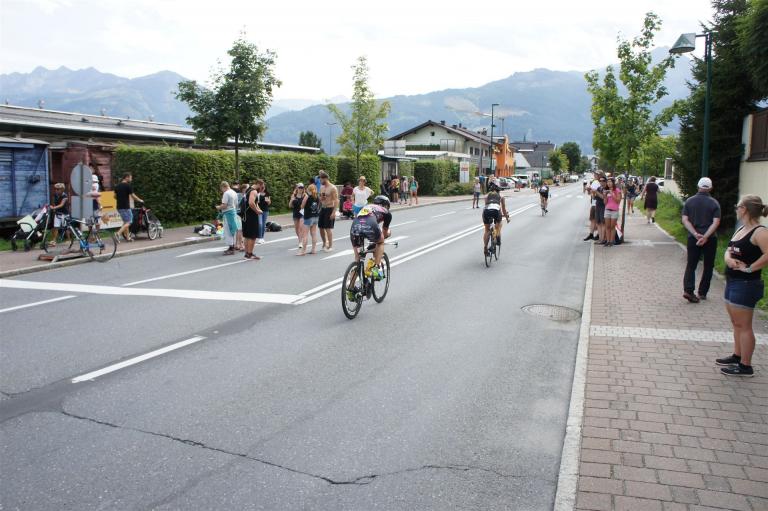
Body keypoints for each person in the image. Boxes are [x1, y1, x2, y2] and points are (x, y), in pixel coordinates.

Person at [719, 195, 768, 377]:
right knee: (736, 322)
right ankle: (737, 355)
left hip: (746, 284)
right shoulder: (741, 228)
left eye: (738, 206)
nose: (736, 209)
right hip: (733, 280)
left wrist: (750, 268)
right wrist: (728, 260)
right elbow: (729, 250)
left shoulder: (760, 232)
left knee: (744, 325)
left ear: (744, 209)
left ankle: (746, 366)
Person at [681, 177, 721, 302]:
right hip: (710, 239)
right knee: (708, 265)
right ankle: (702, 292)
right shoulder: (714, 203)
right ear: (710, 188)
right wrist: (705, 236)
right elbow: (716, 222)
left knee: (691, 264)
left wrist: (695, 234)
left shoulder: (689, 201)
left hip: (693, 238)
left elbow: (685, 220)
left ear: (698, 186)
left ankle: (688, 290)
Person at [346, 195, 393, 298]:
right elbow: (384, 233)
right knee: (380, 242)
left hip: (355, 226)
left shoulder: (367, 207)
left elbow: (363, 222)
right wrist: (389, 233)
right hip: (370, 225)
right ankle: (375, 268)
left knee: (358, 260)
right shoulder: (386, 212)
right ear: (386, 205)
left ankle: (350, 290)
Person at [482, 181, 509, 256]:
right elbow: (503, 209)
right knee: (498, 225)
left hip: (486, 211)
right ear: (498, 191)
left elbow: (487, 205)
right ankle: (494, 241)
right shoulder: (501, 197)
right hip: (496, 211)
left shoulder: (486, 196)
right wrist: (507, 218)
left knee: (487, 230)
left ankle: (485, 247)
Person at [115, 173, 143, 242]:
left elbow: (114, 196)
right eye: (130, 177)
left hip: (119, 207)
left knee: (125, 222)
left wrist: (120, 198)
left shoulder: (117, 186)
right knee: (129, 222)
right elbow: (133, 196)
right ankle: (118, 233)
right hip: (125, 207)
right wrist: (140, 200)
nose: (131, 179)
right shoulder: (128, 186)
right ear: (126, 177)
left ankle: (128, 238)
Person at [215, 181, 239, 255]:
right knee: (233, 229)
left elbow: (224, 205)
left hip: (228, 213)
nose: (222, 190)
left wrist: (218, 207)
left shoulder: (226, 193)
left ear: (223, 187)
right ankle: (232, 246)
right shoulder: (234, 192)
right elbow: (236, 204)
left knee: (228, 231)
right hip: (233, 212)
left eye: (221, 189)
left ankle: (231, 248)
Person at [318, 170, 338, 252]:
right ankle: (324, 243)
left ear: (325, 178)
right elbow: (320, 198)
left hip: (330, 208)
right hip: (323, 208)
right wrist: (321, 198)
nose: (320, 181)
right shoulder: (322, 187)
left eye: (321, 179)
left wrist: (334, 212)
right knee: (321, 227)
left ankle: (330, 246)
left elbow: (336, 200)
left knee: (328, 228)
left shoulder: (333, 188)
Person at [241, 181, 262, 260]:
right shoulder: (253, 191)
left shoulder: (248, 190)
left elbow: (254, 203)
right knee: (253, 236)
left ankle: (247, 253)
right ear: (259, 184)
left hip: (245, 216)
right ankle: (250, 254)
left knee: (247, 236)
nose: (261, 188)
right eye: (261, 186)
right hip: (252, 216)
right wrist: (257, 211)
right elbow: (251, 203)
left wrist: (259, 209)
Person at [298, 183, 320, 255]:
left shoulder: (307, 197)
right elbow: (318, 206)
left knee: (305, 234)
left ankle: (303, 251)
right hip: (315, 216)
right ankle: (313, 249)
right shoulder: (317, 197)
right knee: (314, 233)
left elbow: (302, 206)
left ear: (308, 190)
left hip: (308, 217)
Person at [603, 177, 622, 247]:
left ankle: (611, 241)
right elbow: (605, 203)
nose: (608, 183)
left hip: (614, 211)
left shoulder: (617, 190)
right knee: (607, 226)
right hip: (607, 210)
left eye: (610, 182)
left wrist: (612, 193)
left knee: (612, 227)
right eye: (608, 182)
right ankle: (608, 241)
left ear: (613, 183)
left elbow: (618, 201)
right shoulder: (606, 190)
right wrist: (605, 196)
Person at [289, 183, 306, 249]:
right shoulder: (294, 195)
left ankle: (300, 242)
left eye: (302, 188)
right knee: (296, 229)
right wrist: (292, 200)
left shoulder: (305, 195)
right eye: (299, 188)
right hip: (295, 212)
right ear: (297, 188)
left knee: (301, 227)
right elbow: (290, 206)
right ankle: (300, 239)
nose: (301, 189)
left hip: (302, 213)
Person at [592, 175, 607, 244]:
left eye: (603, 181)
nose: (601, 182)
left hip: (603, 206)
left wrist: (596, 192)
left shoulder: (606, 189)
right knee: (598, 222)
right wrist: (592, 192)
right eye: (600, 181)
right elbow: (594, 197)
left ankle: (603, 239)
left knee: (603, 223)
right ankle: (600, 239)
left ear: (605, 181)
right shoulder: (599, 188)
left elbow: (603, 197)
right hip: (598, 205)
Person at [255, 179, 271, 245]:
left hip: (265, 210)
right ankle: (260, 237)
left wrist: (268, 201)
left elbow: (269, 203)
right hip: (259, 210)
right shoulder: (257, 193)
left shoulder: (266, 194)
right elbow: (256, 202)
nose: (263, 188)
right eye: (262, 187)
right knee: (260, 224)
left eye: (264, 187)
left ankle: (262, 238)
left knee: (263, 224)